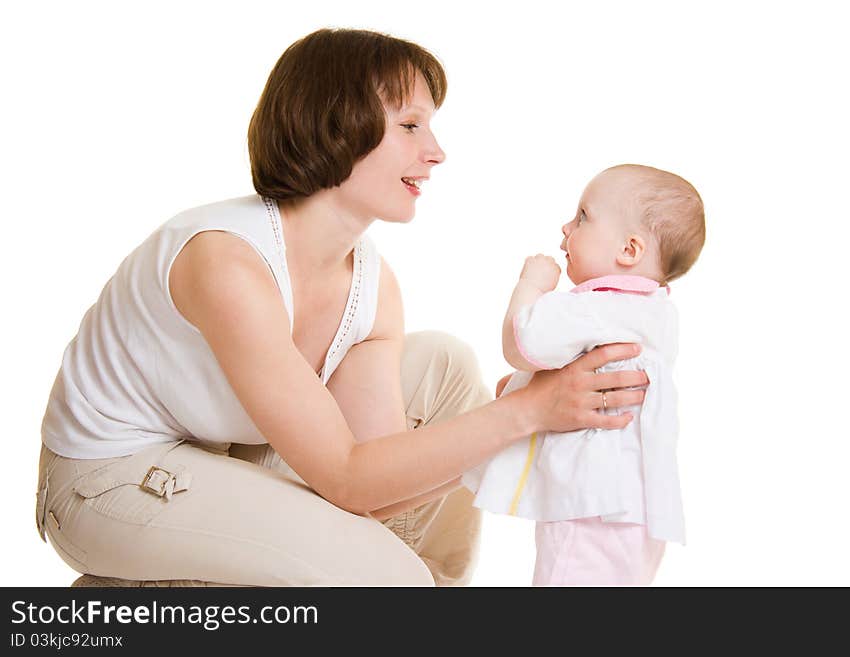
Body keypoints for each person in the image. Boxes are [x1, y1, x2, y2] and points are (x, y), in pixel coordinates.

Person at [35, 29, 648, 587]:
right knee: (388, 579)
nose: (435, 152)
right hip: (105, 481)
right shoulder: (227, 263)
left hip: (220, 451)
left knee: (445, 367)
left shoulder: (374, 286)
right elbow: (348, 475)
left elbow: (372, 493)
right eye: (410, 126)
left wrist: (526, 420)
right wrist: (525, 412)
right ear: (336, 125)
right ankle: (125, 607)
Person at [463, 164, 705, 585]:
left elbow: (523, 343)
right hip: (639, 507)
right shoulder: (655, 315)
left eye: (583, 217)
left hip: (591, 503)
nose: (566, 227)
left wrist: (531, 286)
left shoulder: (595, 307)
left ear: (629, 250)